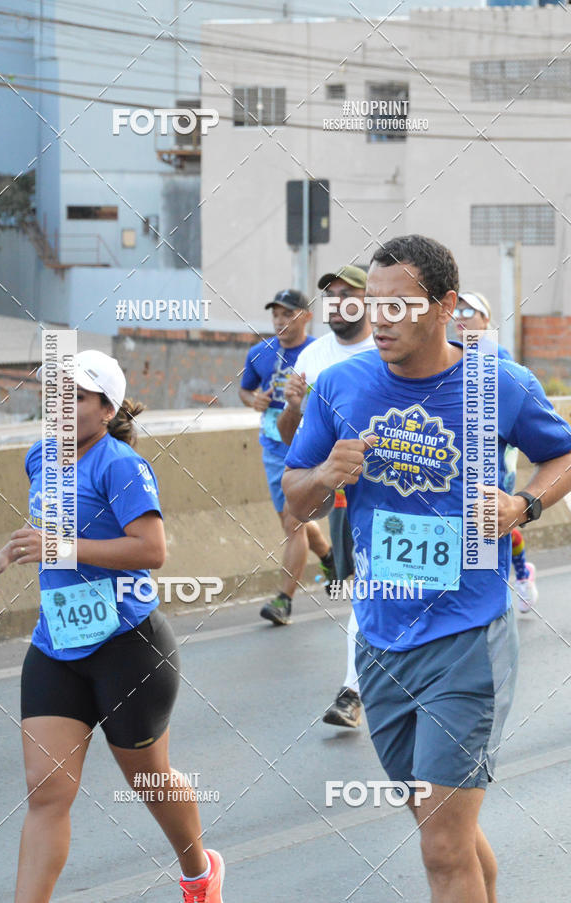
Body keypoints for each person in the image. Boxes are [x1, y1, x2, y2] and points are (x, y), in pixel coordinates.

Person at [283, 235, 571, 903]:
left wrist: (521, 503)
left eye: (398, 305)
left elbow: (562, 456)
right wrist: (326, 473)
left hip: (468, 638)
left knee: (442, 846)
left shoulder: (498, 383)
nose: (378, 318)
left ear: (443, 307)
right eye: (369, 304)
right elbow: (296, 498)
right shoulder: (340, 386)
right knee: (445, 831)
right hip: (380, 641)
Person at [0, 349, 225, 903]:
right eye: (56, 393)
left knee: (149, 781)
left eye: (77, 396)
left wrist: (58, 547)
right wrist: (2, 556)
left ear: (106, 409)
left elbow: (152, 549)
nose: (61, 404)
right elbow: (45, 527)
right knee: (45, 791)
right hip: (58, 643)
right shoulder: (40, 456)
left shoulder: (120, 464)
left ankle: (199, 872)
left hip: (126, 646)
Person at [277, 265, 376, 729]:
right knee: (364, 590)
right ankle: (353, 689)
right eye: (331, 295)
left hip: (402, 490)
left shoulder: (389, 348)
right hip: (342, 497)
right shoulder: (314, 357)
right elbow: (290, 438)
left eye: (347, 293)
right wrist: (295, 408)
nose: (337, 302)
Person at [239, 289, 335, 626]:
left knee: (294, 523)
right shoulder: (259, 353)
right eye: (276, 314)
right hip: (273, 445)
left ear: (306, 316)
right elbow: (245, 389)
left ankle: (284, 600)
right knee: (291, 521)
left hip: (308, 444)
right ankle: (329, 555)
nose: (281, 321)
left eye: (288, 314)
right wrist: (253, 401)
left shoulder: (320, 352)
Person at [454, 291, 538, 612]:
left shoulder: (500, 359)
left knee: (496, 523)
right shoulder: (446, 356)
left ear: (486, 319)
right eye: (456, 311)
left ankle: (519, 575)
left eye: (469, 311)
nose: (460, 317)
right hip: (457, 460)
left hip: (495, 458)